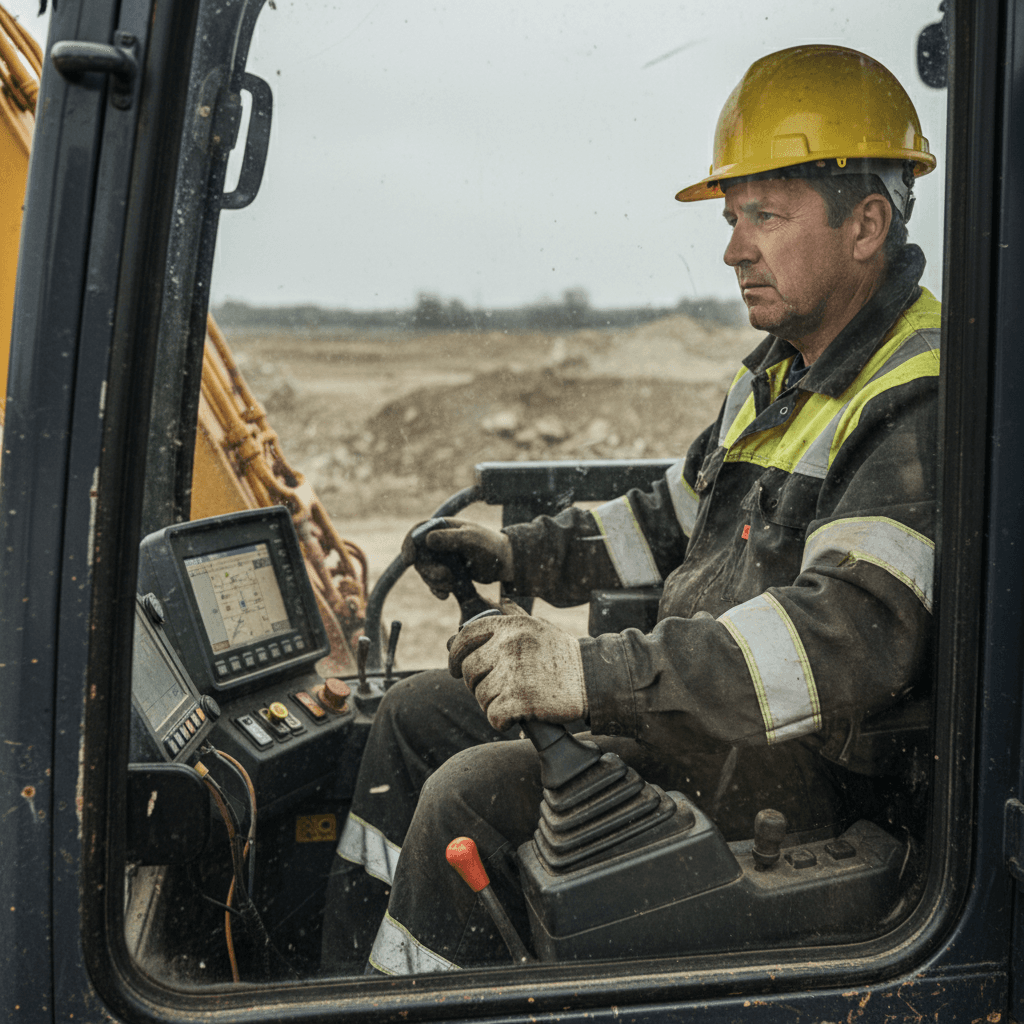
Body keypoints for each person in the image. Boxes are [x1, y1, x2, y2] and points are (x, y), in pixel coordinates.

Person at [320, 43, 940, 975]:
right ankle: (339, 984)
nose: (734, 248)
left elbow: (846, 635)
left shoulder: (915, 396)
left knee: (470, 795)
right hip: (700, 722)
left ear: (866, 224)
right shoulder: (781, 375)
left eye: (764, 216)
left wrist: (591, 674)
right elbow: (662, 521)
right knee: (416, 715)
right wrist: (515, 553)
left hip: (806, 775)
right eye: (734, 219)